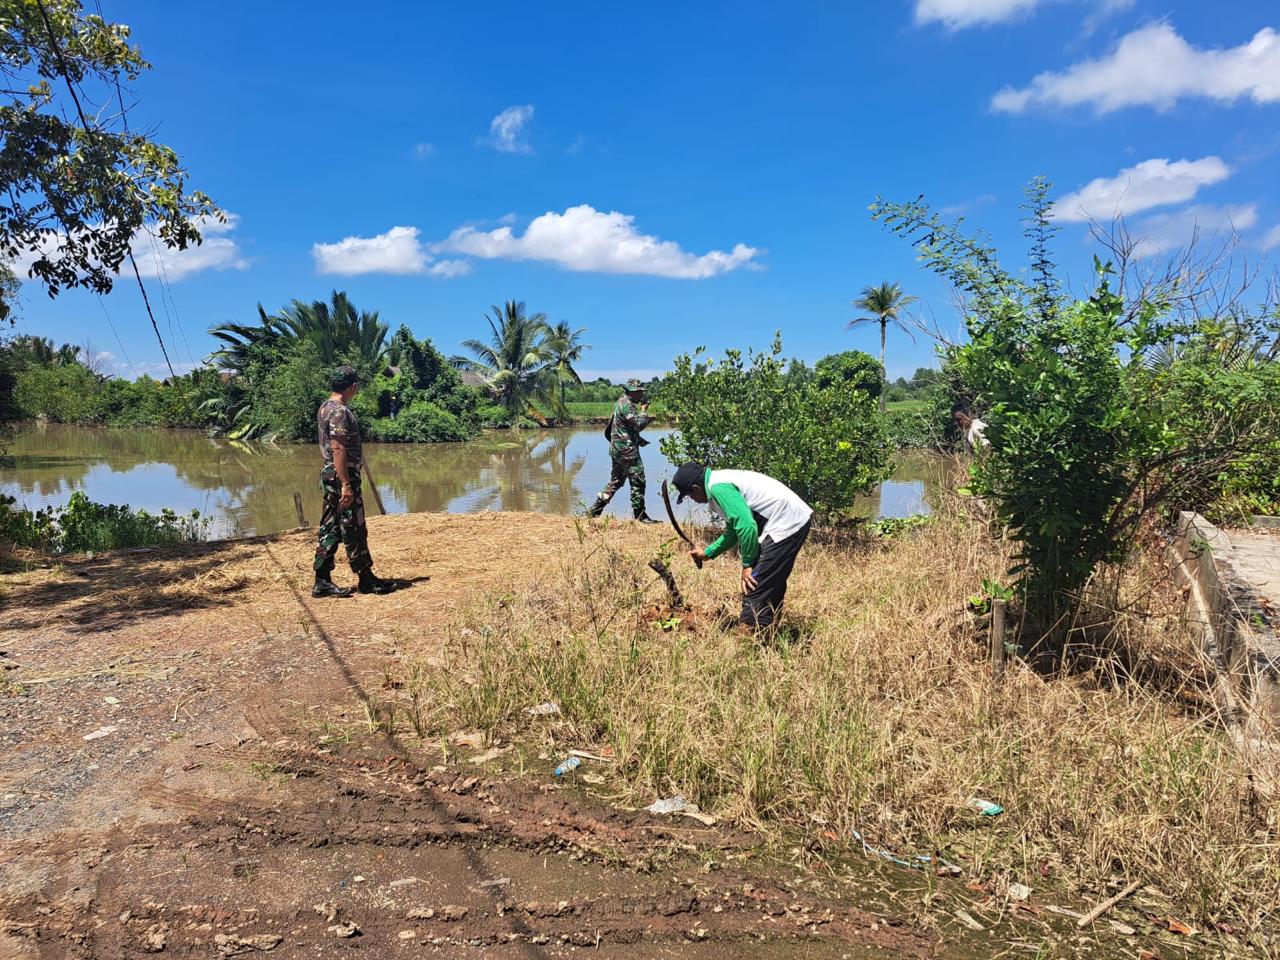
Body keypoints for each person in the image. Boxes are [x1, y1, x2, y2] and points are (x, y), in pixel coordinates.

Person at [672, 462, 813, 631]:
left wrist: (747, 564)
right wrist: (708, 553)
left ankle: (749, 633)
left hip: (787, 521)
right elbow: (734, 530)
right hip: (789, 519)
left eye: (689, 495)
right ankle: (767, 630)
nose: (693, 500)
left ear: (696, 488)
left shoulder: (718, 488)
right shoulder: (718, 482)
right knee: (770, 578)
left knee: (755, 582)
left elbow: (746, 526)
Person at [312, 365, 402, 597]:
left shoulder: (325, 407)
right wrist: (346, 483)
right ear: (353, 387)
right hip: (342, 474)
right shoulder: (340, 411)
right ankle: (366, 579)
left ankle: (322, 580)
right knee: (354, 525)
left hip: (330, 473)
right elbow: (338, 447)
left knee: (331, 524)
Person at [588, 378, 659, 523]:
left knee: (616, 481)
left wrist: (638, 440)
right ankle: (640, 516)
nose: (642, 395)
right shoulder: (628, 405)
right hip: (628, 452)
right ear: (632, 392)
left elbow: (621, 427)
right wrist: (644, 411)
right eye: (639, 392)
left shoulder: (620, 402)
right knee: (638, 481)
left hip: (617, 450)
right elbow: (638, 424)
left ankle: (594, 511)